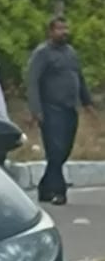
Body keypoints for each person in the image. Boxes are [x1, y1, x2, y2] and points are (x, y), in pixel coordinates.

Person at [27, 17, 93, 206]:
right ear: (50, 31)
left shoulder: (71, 53)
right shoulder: (42, 53)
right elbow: (33, 81)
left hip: (70, 109)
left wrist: (87, 102)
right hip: (51, 109)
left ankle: (45, 188)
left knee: (64, 151)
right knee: (55, 151)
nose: (64, 32)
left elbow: (79, 77)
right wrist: (36, 110)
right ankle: (59, 191)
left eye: (66, 28)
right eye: (59, 29)